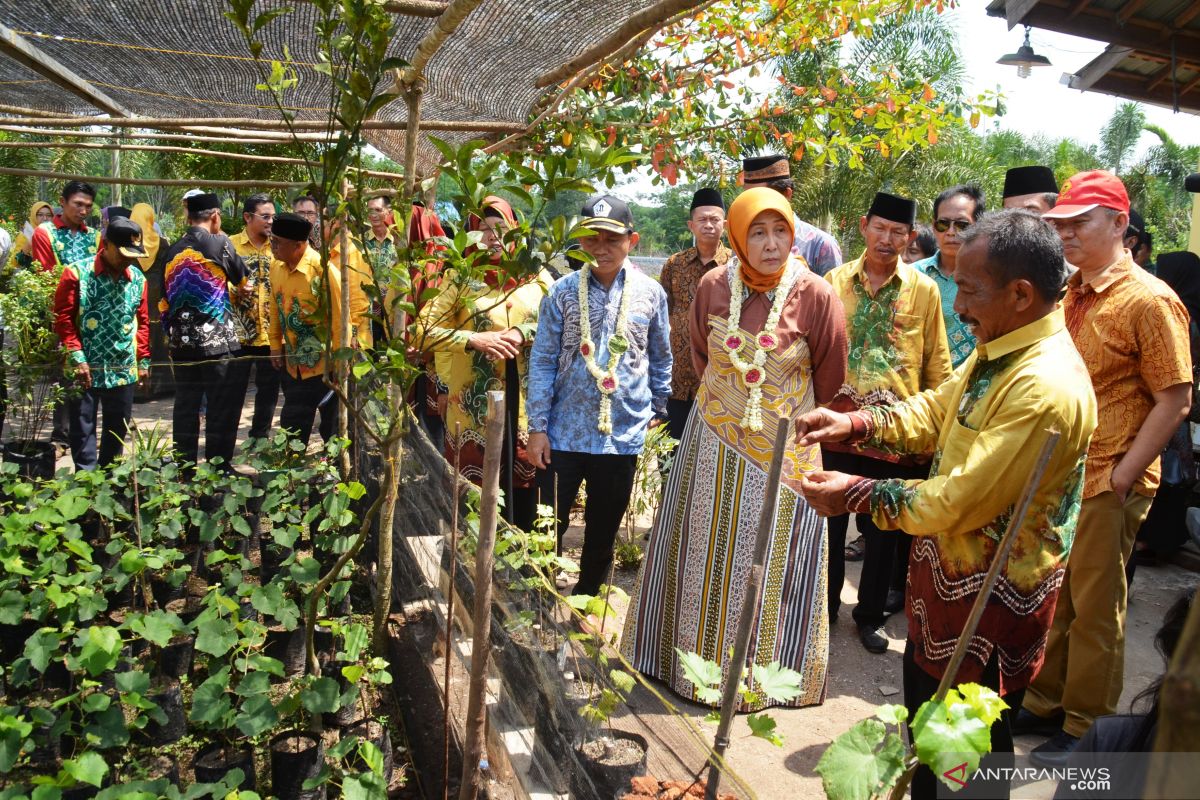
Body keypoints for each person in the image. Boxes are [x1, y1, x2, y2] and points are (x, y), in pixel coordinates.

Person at [796, 209, 1096, 799]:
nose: (958, 305)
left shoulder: (1043, 386)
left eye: (970, 289)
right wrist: (854, 422)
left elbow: (959, 501)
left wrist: (854, 494)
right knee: (931, 743)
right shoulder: (1002, 349)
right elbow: (937, 410)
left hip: (988, 610)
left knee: (967, 763)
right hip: (948, 599)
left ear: (1020, 293)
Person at [622, 187, 848, 710]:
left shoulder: (816, 295)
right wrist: (731, 408)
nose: (771, 244)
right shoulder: (711, 286)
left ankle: (765, 680)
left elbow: (831, 382)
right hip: (712, 448)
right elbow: (702, 360)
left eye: (781, 231)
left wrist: (770, 411)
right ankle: (689, 670)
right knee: (703, 553)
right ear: (738, 238)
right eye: (757, 232)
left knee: (770, 561)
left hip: (784, 457)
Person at [1019, 170, 1192, 767]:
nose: (1065, 234)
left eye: (1079, 223)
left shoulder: (1151, 299)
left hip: (1108, 476)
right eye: (1060, 224)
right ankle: (1045, 701)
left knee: (1095, 606)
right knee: (1057, 595)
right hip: (1062, 474)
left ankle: (1087, 720)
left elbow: (1175, 398)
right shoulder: (1072, 291)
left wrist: (1124, 475)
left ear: (1120, 224)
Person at [822, 191, 951, 653]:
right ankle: (824, 607)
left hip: (896, 430)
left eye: (899, 232)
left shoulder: (924, 289)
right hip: (836, 425)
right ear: (863, 226)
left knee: (883, 532)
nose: (887, 238)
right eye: (880, 227)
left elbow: (937, 360)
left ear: (911, 237)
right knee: (830, 523)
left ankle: (869, 615)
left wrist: (939, 427)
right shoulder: (833, 282)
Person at [526, 194, 671, 597]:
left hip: (622, 434)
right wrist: (537, 427)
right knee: (545, 528)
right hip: (563, 435)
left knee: (602, 533)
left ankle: (584, 607)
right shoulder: (561, 292)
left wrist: (658, 408)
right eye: (591, 238)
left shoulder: (651, 293)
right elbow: (541, 361)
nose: (601, 248)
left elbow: (660, 356)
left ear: (632, 239)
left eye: (611, 239)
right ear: (581, 241)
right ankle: (535, 608)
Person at [419, 196, 552, 531]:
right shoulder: (459, 280)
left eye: (502, 228)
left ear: (517, 234)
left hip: (526, 413)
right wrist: (472, 340)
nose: (493, 237)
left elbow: (565, 324)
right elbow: (420, 332)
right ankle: (468, 576)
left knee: (525, 503)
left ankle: (520, 577)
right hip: (472, 415)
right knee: (472, 505)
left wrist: (525, 331)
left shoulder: (537, 280)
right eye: (484, 230)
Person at [52, 217, 151, 471]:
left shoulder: (138, 280)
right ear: (105, 244)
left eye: (134, 254)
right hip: (84, 366)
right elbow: (63, 319)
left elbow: (143, 322)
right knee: (82, 425)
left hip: (123, 367)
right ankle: (86, 481)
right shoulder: (77, 273)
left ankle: (109, 480)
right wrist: (77, 357)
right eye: (123, 253)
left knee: (117, 427)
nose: (129, 259)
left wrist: (143, 360)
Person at [160, 192, 248, 467]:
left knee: (186, 405)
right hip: (216, 342)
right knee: (222, 406)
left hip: (181, 344)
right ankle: (218, 467)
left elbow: (164, 302)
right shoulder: (220, 243)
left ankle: (185, 468)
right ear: (214, 216)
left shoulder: (171, 250)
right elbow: (243, 280)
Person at [1130, 250, 1200, 573]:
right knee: (1174, 478)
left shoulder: (1172, 310)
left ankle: (1153, 542)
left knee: (1167, 476)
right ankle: (1160, 542)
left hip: (1166, 408)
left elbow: (1174, 387)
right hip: (1173, 412)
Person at [31, 182, 101, 454]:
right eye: (78, 204)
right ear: (63, 202)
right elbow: (46, 276)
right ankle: (60, 436)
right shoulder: (45, 233)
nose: (83, 210)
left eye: (87, 206)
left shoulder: (94, 236)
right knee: (64, 375)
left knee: (87, 374)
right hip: (60, 315)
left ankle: (83, 434)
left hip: (91, 317)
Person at [658, 187, 731, 441]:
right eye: (702, 219)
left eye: (714, 219)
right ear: (691, 225)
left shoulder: (735, 266)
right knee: (670, 453)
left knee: (710, 454)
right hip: (675, 381)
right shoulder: (674, 264)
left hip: (718, 383)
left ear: (725, 224)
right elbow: (661, 312)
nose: (708, 225)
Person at [268, 212, 345, 446]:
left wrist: (341, 367)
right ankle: (291, 475)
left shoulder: (324, 271)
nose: (272, 246)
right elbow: (274, 307)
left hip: (325, 368)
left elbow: (340, 320)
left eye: (277, 242)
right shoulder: (277, 267)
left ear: (298, 245)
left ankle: (335, 475)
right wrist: (274, 345)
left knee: (332, 429)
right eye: (272, 240)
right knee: (292, 425)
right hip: (293, 366)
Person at [911, 185, 986, 368]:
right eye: (943, 224)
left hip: (972, 384)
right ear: (934, 226)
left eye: (962, 225)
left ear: (979, 226)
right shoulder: (912, 275)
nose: (951, 232)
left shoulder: (991, 279)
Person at [229, 193, 281, 441]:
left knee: (268, 393)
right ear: (247, 217)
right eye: (265, 216)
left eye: (273, 216)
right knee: (233, 392)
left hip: (271, 335)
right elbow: (215, 283)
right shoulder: (229, 246)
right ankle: (225, 445)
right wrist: (234, 290)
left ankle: (259, 441)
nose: (271, 221)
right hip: (239, 334)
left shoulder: (279, 247)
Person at [740, 154, 843, 275]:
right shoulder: (743, 241)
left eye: (760, 197)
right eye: (747, 198)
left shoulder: (821, 245)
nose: (752, 205)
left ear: (787, 195)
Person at [362, 194, 399, 342]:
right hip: (369, 307)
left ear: (389, 212)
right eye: (370, 211)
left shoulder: (398, 240)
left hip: (394, 306)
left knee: (394, 346)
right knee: (371, 346)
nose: (373, 215)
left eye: (378, 210)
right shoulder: (361, 241)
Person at [8, 201, 54, 270]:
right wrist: (28, 246)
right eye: (40, 215)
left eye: (48, 215)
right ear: (34, 216)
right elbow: (14, 263)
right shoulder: (25, 235)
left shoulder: (55, 234)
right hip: (32, 278)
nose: (45, 218)